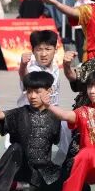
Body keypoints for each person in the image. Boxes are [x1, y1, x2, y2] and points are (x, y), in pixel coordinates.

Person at [0, 71, 66, 191]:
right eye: (29, 92)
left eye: (37, 92)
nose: (32, 96)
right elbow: (1, 115)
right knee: (15, 148)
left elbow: (68, 123)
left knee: (83, 189)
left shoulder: (56, 115)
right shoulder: (20, 113)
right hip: (21, 167)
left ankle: (37, 188)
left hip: (44, 171)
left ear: (49, 91)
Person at [17, 30, 67, 164]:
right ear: (33, 51)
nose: (44, 54)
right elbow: (26, 77)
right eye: (39, 49)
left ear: (55, 49)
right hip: (29, 117)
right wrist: (22, 66)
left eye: (48, 49)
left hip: (51, 113)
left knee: (68, 130)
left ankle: (61, 167)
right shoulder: (32, 68)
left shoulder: (55, 67)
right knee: (20, 151)